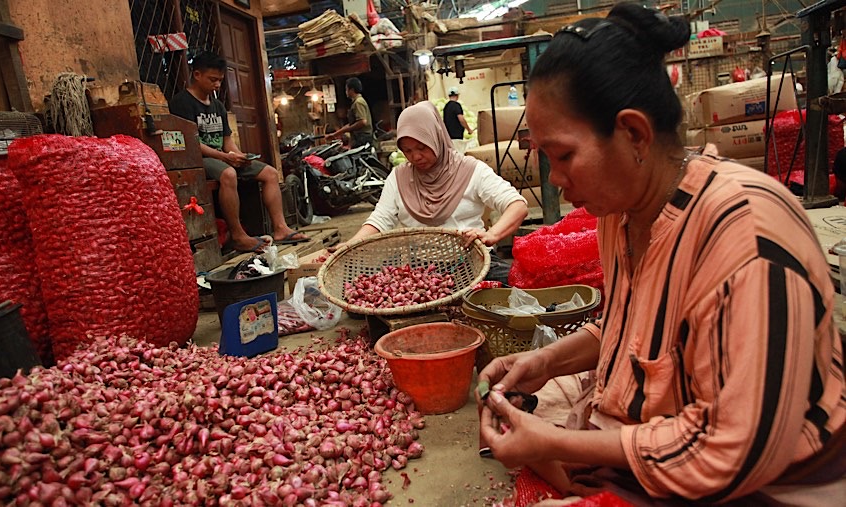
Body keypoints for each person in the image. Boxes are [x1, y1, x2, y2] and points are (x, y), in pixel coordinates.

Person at [478, 3, 845, 505]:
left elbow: (731, 452)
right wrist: (546, 361)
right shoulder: (622, 210)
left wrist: (561, 441)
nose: (557, 181)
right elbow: (635, 326)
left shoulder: (748, 241)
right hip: (673, 440)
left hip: (767, 481)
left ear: (633, 133)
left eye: (564, 156)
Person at [338, 101, 528, 285]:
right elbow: (380, 219)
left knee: (517, 286)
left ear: (436, 137)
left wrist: (492, 234)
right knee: (362, 295)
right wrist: (349, 245)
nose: (416, 157)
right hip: (418, 268)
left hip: (472, 261)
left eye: (422, 147)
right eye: (408, 151)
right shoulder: (398, 177)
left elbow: (516, 205)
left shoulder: (471, 170)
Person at [169, 51, 307, 252]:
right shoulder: (182, 103)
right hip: (199, 158)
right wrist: (225, 158)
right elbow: (192, 144)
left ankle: (280, 228)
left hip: (221, 156)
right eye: (212, 79)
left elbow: (227, 140)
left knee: (270, 173)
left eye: (220, 80)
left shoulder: (217, 105)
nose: (217, 85)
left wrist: (238, 155)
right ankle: (238, 235)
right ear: (197, 75)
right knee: (228, 174)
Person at [326, 77, 374, 148]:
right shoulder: (356, 102)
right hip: (359, 138)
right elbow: (351, 124)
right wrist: (335, 134)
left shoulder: (358, 102)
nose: (346, 92)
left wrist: (348, 129)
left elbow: (362, 122)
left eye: (346, 89)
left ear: (351, 90)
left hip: (362, 138)